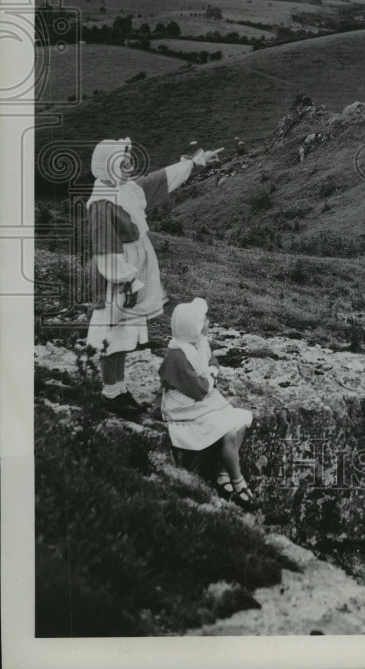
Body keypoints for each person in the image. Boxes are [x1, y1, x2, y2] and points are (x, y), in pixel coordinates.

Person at [86, 137, 221, 418]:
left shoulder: (126, 190)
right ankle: (111, 393)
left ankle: (119, 390)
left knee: (123, 337)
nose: (128, 165)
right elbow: (105, 252)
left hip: (134, 273)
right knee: (113, 335)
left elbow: (160, 180)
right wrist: (127, 280)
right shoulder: (101, 202)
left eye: (127, 160)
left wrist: (195, 162)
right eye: (121, 162)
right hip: (118, 279)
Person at [158, 297, 255, 509]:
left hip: (203, 399)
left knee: (240, 423)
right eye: (204, 320)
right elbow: (198, 389)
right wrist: (211, 376)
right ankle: (238, 482)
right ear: (193, 328)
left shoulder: (200, 344)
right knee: (229, 432)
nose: (208, 322)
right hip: (185, 405)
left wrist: (211, 371)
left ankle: (224, 474)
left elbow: (211, 362)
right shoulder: (177, 354)